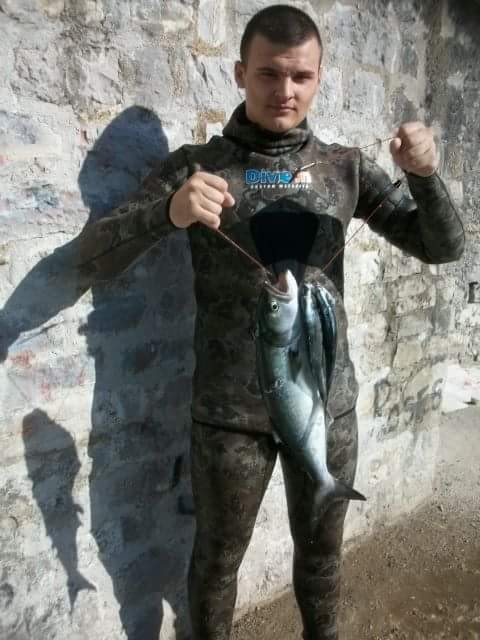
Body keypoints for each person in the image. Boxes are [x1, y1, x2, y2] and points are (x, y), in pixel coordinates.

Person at [76, 5, 465, 639]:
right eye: (268, 74)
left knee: (322, 560)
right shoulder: (196, 168)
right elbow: (94, 256)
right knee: (217, 562)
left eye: (300, 76)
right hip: (228, 417)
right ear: (239, 73)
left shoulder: (344, 166)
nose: (285, 90)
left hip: (326, 406)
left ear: (318, 78)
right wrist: (167, 212)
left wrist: (424, 176)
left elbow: (441, 247)